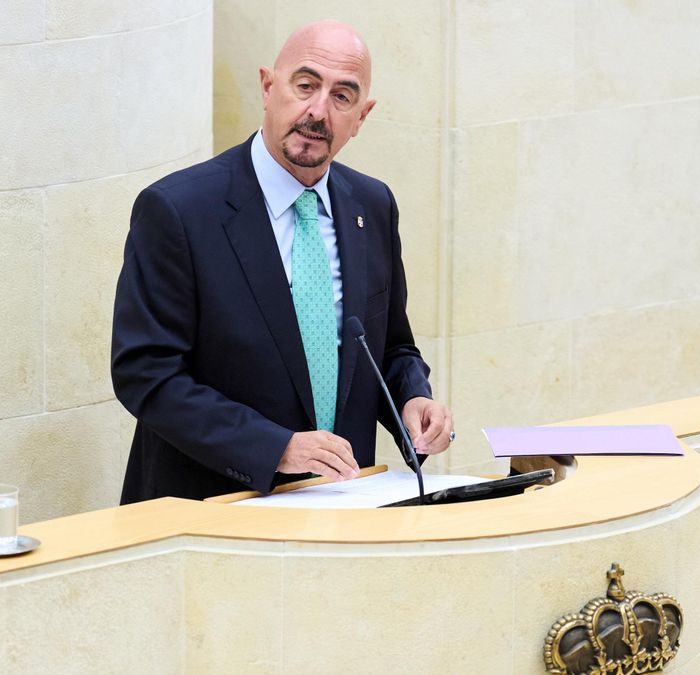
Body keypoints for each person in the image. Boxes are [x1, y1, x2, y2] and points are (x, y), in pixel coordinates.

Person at [112, 21, 453, 503]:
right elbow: (147, 374)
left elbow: (391, 347)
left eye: (342, 96)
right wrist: (276, 448)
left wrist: (412, 398)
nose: (318, 111)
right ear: (268, 87)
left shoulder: (373, 205)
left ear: (361, 116)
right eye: (306, 85)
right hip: (212, 508)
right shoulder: (178, 210)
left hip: (343, 502)